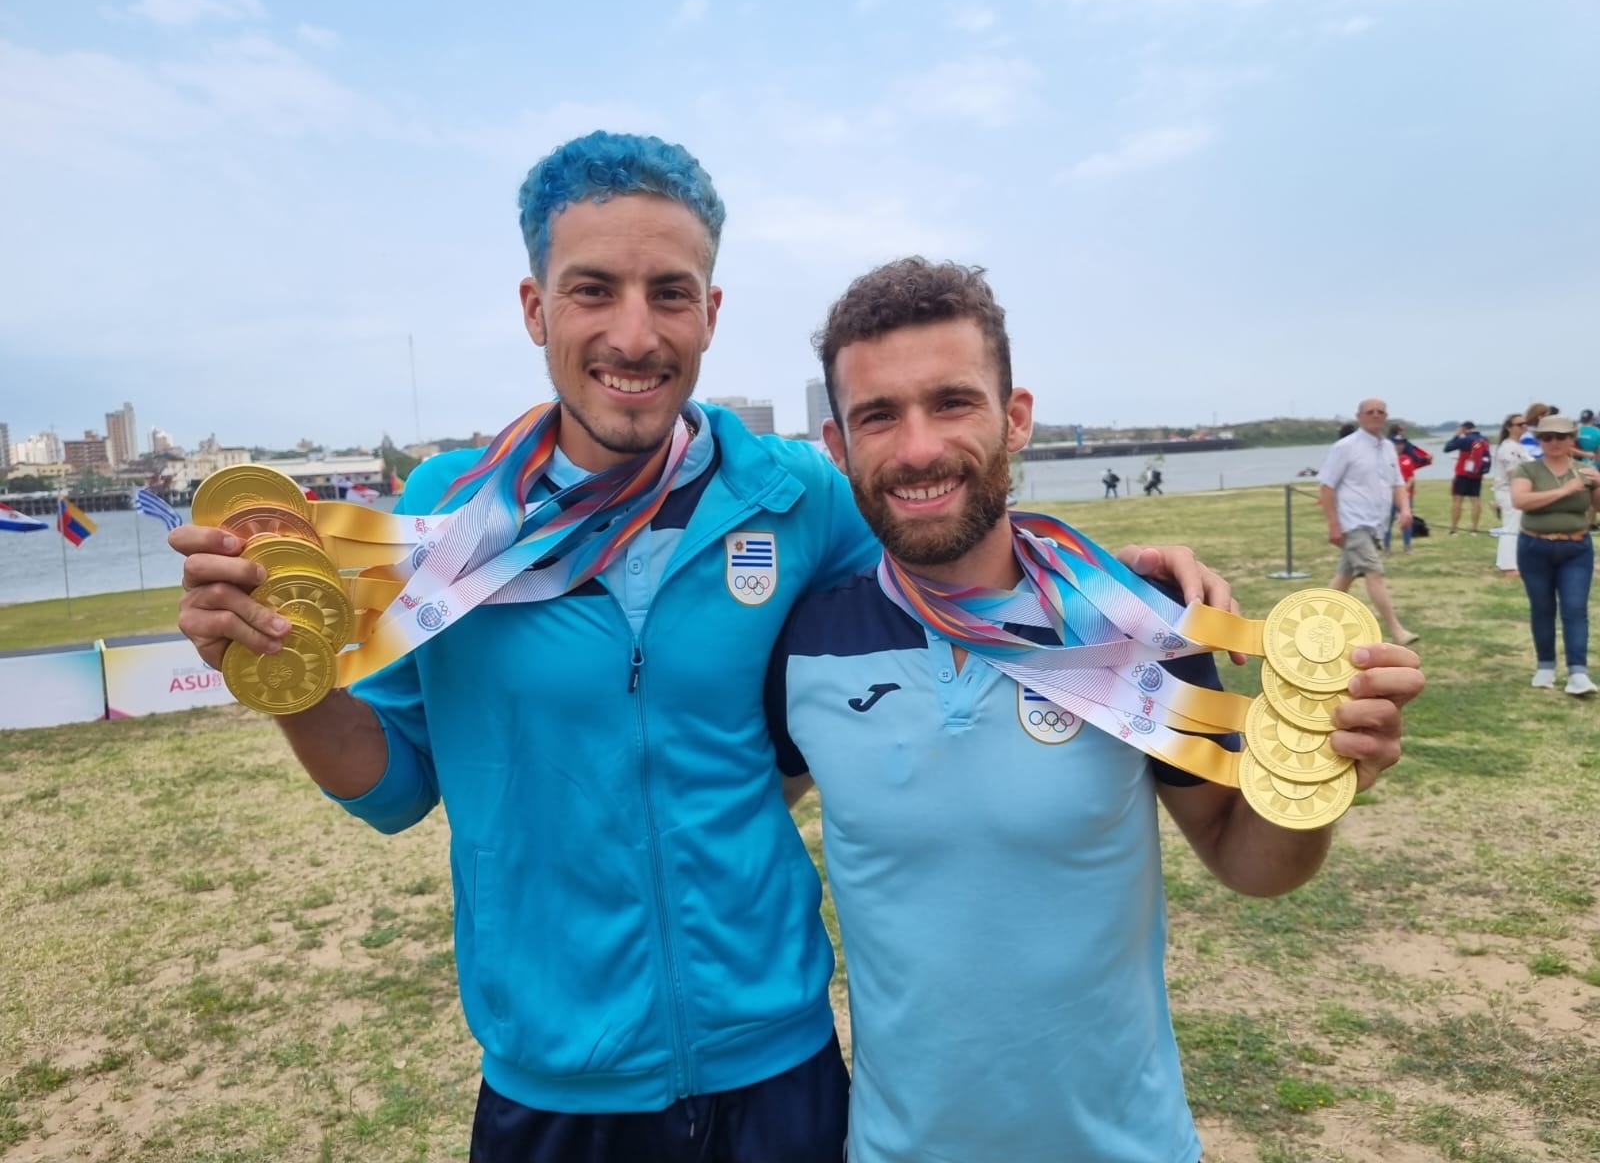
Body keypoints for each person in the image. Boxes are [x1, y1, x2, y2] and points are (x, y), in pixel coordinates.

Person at [167, 131, 1235, 1162]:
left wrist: (1113, 577)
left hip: (775, 1067)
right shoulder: (448, 520)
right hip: (554, 1082)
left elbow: (949, 521)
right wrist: (285, 674)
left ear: (711, 312)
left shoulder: (795, 495)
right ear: (534, 307)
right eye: (592, 290)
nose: (634, 335)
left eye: (669, 292)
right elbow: (393, 786)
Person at [768, 257, 1424, 1163]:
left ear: (1017, 417)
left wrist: (1315, 763)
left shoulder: (1132, 625)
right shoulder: (806, 647)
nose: (917, 447)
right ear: (838, 448)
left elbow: (1251, 862)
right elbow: (714, 826)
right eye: (879, 415)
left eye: (953, 401)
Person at [1509, 414, 1600, 696]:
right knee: (1542, 607)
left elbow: (1596, 506)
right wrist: (1566, 490)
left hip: (1576, 547)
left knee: (1574, 608)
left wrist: (1597, 485)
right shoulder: (1528, 470)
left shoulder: (1584, 470)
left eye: (1561, 437)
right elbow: (1520, 501)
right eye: (1547, 437)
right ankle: (1545, 666)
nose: (1554, 442)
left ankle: (1578, 673)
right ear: (1539, 440)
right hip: (1535, 547)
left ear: (1571, 439)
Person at [1319, 398, 1420, 646]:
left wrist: (1405, 509)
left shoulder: (1388, 448)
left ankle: (1319, 621)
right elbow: (1327, 486)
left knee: (1345, 576)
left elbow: (1397, 484)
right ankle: (1397, 630)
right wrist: (1333, 524)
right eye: (1370, 412)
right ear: (1359, 416)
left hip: (1376, 524)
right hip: (1352, 522)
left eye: (1380, 412)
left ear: (1386, 416)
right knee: (1375, 572)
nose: (1376, 415)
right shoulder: (1346, 447)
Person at [1492, 412, 1530, 577]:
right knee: (1511, 527)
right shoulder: (1508, 447)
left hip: (1518, 490)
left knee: (1519, 526)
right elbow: (1513, 471)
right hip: (1508, 491)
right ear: (1509, 427)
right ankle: (1508, 565)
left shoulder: (1519, 446)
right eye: (1519, 424)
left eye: (1525, 424)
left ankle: (1515, 561)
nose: (1523, 427)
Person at [1384, 424, 1431, 555]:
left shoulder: (1406, 459)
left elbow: (1411, 477)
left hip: (1406, 495)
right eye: (1396, 444)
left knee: (1406, 521)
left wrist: (1405, 489)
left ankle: (1407, 546)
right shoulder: (1385, 460)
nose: (1399, 446)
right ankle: (1387, 547)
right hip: (1389, 496)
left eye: (1401, 444)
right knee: (1387, 522)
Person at [1443, 419, 1491, 534]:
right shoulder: (1484, 439)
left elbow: (1447, 448)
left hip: (1462, 473)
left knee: (1458, 500)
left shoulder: (1464, 439)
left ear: (1464, 429)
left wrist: (1456, 436)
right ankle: (1474, 528)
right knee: (1475, 500)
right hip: (1477, 474)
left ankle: (1454, 528)